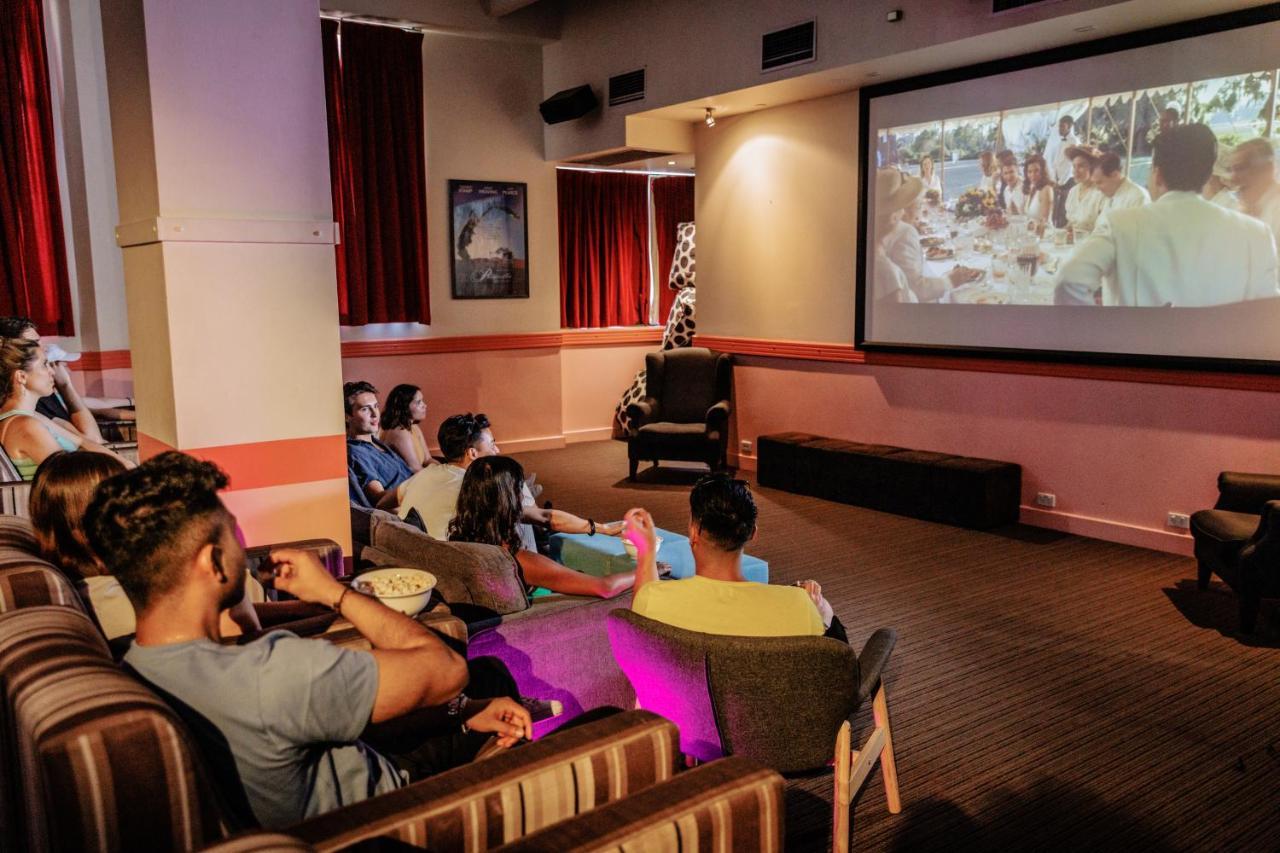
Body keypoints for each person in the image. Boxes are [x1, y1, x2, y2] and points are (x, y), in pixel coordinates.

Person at [83, 451, 532, 829]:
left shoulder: (125, 661)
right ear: (215, 563)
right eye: (234, 533)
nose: (245, 545)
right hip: (390, 811)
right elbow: (447, 673)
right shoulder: (272, 672)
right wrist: (332, 592)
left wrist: (461, 715)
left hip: (325, 769)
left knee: (484, 685)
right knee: (496, 682)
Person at [28, 451, 263, 641]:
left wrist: (297, 606)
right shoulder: (116, 601)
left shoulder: (113, 579)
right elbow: (239, 638)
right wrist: (223, 562)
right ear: (89, 523)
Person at [1056, 123, 1279, 307]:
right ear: (1207, 173)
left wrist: (1098, 338)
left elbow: (1068, 281)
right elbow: (1263, 315)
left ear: (1158, 174)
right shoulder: (1257, 234)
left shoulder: (1120, 224)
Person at [626, 472, 843, 640]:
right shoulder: (799, 607)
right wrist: (821, 607)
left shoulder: (653, 600)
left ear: (694, 532)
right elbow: (832, 662)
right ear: (752, 533)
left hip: (685, 699)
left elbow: (639, 619)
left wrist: (646, 551)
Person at [397, 412, 620, 543]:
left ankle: (524, 493)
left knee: (517, 500)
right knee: (521, 512)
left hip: (424, 558)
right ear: (472, 454)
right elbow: (543, 516)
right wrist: (602, 528)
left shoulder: (423, 476)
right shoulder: (479, 489)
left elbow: (389, 500)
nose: (497, 450)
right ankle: (523, 494)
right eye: (492, 444)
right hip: (465, 562)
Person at [448, 455, 635, 599]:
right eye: (520, 489)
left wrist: (603, 529)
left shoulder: (462, 538)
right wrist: (644, 569)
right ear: (510, 500)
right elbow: (605, 588)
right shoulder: (518, 560)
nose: (523, 496)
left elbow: (546, 517)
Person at [0, 339, 132, 479]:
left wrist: (125, 463)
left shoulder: (33, 416)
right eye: (45, 365)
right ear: (21, 376)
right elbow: (66, 474)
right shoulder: (25, 425)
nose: (52, 371)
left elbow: (83, 441)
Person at [0, 317, 136, 442]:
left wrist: (132, 403)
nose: (41, 348)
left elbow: (95, 407)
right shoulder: (29, 406)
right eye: (33, 343)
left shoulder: (37, 397)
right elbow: (93, 440)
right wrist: (65, 385)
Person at [881, 170, 976, 302]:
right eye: (919, 205)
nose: (920, 212)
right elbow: (916, 288)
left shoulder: (897, 230)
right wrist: (949, 281)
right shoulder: (905, 233)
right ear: (905, 208)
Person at [345, 381, 413, 509]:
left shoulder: (376, 443)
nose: (375, 414)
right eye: (365, 409)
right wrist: (418, 490)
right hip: (407, 513)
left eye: (376, 406)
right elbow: (379, 498)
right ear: (347, 416)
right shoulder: (356, 451)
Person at [1228, 138, 1280, 248]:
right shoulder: (1237, 208)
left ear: (1267, 169)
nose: (1232, 178)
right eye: (1231, 170)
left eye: (1240, 168)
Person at [380, 384, 433, 473]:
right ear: (404, 406)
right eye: (418, 402)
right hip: (408, 482)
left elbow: (428, 459)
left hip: (420, 476)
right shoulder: (400, 432)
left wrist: (445, 470)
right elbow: (415, 469)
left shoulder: (414, 427)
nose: (425, 405)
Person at [1091, 151, 1150, 218]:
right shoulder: (1109, 194)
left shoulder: (1138, 197)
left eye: (1100, 182)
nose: (1097, 189)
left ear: (1115, 175)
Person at [1062, 146, 1105, 232]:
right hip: (1071, 242)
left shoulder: (1101, 193)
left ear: (1093, 168)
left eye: (1081, 166)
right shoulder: (1073, 191)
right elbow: (1070, 223)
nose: (1076, 171)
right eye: (1074, 166)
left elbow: (1103, 229)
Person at [1044, 115, 1080, 187]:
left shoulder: (1074, 142)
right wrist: (1054, 177)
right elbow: (1056, 160)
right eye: (1059, 126)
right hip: (1058, 178)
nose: (1059, 129)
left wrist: (1061, 182)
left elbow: (1070, 165)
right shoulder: (1060, 140)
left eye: (1062, 126)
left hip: (1068, 180)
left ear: (1069, 127)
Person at [1018, 154, 1055, 223]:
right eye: (1030, 172)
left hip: (1044, 232)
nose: (1033, 175)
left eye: (1036, 171)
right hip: (1030, 232)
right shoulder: (1032, 187)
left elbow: (1043, 222)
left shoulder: (1046, 190)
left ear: (1043, 171)